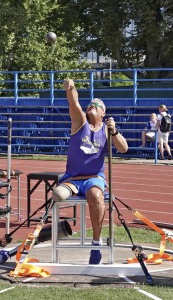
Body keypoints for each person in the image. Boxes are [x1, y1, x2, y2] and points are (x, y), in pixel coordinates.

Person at [52, 79, 128, 264]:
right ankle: (56, 233)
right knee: (57, 194)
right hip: (73, 178)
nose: (92, 106)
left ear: (103, 113)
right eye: (90, 104)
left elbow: (124, 149)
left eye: (97, 105)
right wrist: (71, 87)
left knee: (95, 196)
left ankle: (96, 242)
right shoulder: (80, 123)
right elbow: (74, 102)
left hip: (94, 178)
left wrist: (115, 131)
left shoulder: (108, 130)